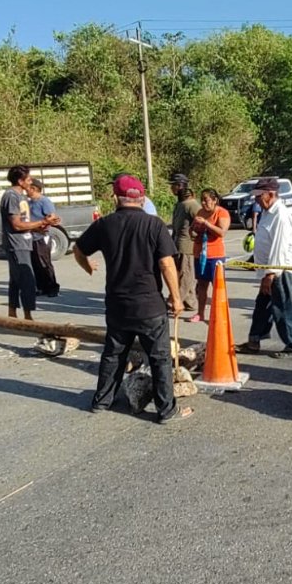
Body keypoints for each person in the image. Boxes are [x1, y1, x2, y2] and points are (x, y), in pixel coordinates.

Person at [72, 175, 191, 422]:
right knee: (159, 358)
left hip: (117, 304)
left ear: (115, 197)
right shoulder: (154, 224)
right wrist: (176, 298)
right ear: (142, 198)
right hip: (149, 305)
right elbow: (166, 263)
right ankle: (166, 410)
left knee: (114, 354)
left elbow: (78, 249)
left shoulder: (105, 224)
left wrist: (87, 266)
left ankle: (102, 401)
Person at [237, 177, 292, 358]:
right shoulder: (267, 212)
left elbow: (279, 247)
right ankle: (254, 340)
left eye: (260, 195)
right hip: (268, 269)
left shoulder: (280, 215)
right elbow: (264, 241)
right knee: (262, 306)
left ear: (271, 194)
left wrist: (270, 274)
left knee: (282, 307)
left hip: (280, 270)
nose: (256, 199)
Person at [0, 166, 59, 319]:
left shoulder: (21, 197)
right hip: (16, 243)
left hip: (26, 240)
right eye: (28, 179)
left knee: (16, 279)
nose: (31, 181)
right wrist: (42, 221)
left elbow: (26, 223)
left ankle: (12, 313)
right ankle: (28, 315)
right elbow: (17, 224)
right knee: (27, 279)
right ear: (20, 181)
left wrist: (42, 226)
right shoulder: (11, 196)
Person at [190, 187, 230, 323]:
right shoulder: (200, 212)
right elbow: (192, 230)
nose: (203, 203)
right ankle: (200, 313)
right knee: (201, 285)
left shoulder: (222, 213)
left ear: (215, 200)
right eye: (202, 200)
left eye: (206, 200)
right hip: (200, 254)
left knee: (218, 287)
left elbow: (222, 232)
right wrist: (193, 229)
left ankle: (220, 314)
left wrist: (206, 223)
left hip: (215, 255)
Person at [168, 174, 200, 314]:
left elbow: (201, 221)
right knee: (181, 273)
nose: (171, 188)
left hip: (186, 246)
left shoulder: (192, 204)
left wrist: (194, 235)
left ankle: (175, 300)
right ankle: (190, 301)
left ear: (180, 185)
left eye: (174, 185)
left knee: (185, 275)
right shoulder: (180, 204)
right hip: (177, 244)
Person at [27, 178, 61, 298]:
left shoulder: (44, 201)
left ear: (34, 189)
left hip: (42, 236)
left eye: (28, 187)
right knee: (35, 263)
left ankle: (53, 287)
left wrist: (41, 227)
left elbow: (52, 218)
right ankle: (41, 287)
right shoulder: (29, 202)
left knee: (45, 263)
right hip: (32, 236)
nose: (26, 189)